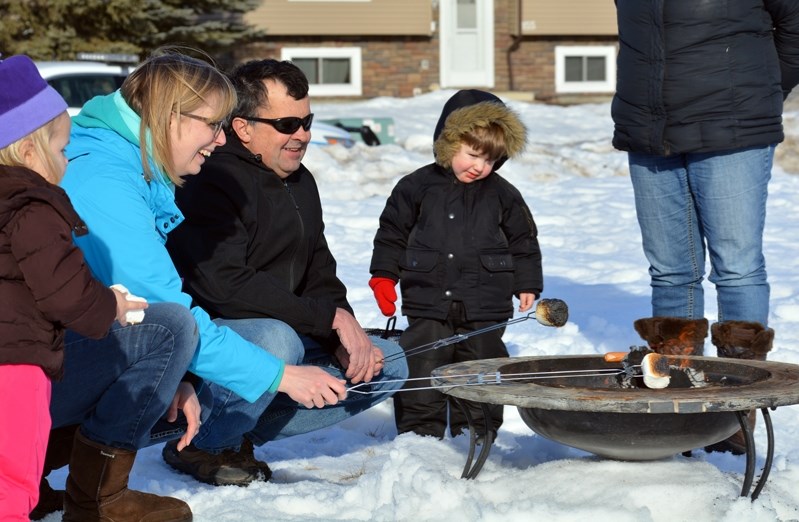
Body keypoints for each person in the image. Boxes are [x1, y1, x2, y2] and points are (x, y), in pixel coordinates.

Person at [51, 48, 353, 518]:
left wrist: (172, 371)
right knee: (175, 327)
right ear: (171, 116)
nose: (218, 140)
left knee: (173, 334)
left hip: (55, 351)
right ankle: (96, 500)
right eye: (212, 125)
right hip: (23, 368)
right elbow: (159, 310)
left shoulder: (131, 163)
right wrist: (281, 377)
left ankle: (50, 480)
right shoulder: (106, 178)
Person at [163, 59, 408, 486]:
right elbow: (223, 285)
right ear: (242, 127)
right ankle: (201, 441)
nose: (303, 135)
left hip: (290, 334)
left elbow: (319, 270)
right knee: (278, 341)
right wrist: (325, 319)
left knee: (389, 363)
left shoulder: (299, 180)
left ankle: (235, 433)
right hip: (212, 346)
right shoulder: (211, 178)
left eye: (307, 121)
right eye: (288, 123)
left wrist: (344, 336)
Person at [612, 0, 799, 454]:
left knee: (736, 266)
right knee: (671, 270)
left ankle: (736, 406)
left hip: (733, 126)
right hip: (650, 130)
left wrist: (761, 94)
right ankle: (680, 397)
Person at [0, 55, 149, 521]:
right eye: (62, 150)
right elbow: (64, 290)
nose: (67, 161)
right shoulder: (32, 209)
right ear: (29, 151)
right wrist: (113, 305)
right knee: (13, 475)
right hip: (16, 365)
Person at [369, 89, 542, 440]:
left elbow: (524, 240)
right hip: (429, 299)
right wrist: (383, 277)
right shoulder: (415, 187)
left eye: (490, 160)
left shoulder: (503, 194)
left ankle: (477, 432)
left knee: (480, 366)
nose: (479, 166)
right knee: (422, 365)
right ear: (448, 143)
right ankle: (420, 435)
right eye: (473, 154)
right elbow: (392, 233)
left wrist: (527, 282)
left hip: (485, 302)